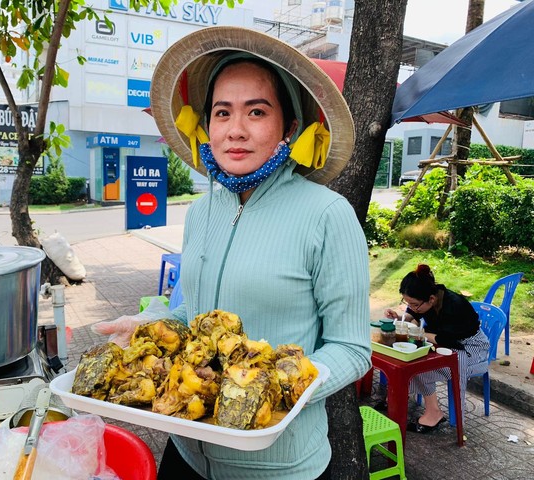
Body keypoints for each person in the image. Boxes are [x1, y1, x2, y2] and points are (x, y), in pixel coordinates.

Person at [95, 26, 371, 479]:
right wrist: (149, 324)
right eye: (222, 113)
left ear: (291, 127)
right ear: (208, 126)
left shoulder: (327, 215)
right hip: (186, 449)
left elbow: (351, 349)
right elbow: (194, 314)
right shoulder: (203, 211)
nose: (235, 130)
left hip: (277, 463)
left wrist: (275, 385)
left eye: (257, 111)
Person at [383, 264, 490, 433]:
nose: (411, 306)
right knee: (414, 364)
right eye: (407, 302)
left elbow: (445, 339)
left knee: (423, 368)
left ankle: (434, 414)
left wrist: (419, 333)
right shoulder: (428, 296)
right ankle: (415, 402)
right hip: (447, 343)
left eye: (414, 303)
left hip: (472, 349)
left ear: (431, 300)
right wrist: (400, 317)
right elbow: (416, 313)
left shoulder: (453, 306)